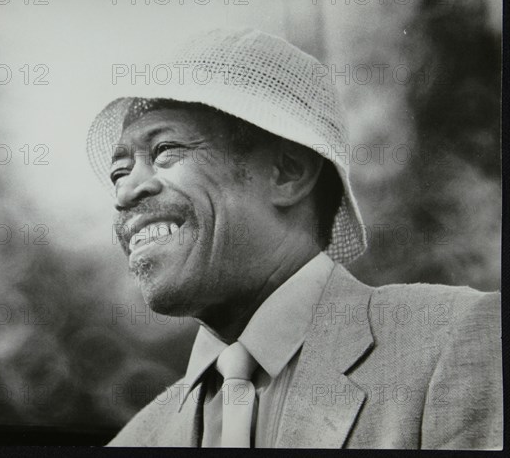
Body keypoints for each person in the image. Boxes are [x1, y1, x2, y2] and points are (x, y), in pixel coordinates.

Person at [86, 28, 502, 449]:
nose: (125, 192)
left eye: (165, 151)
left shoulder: (454, 339)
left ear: (288, 172)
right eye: (119, 172)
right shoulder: (135, 440)